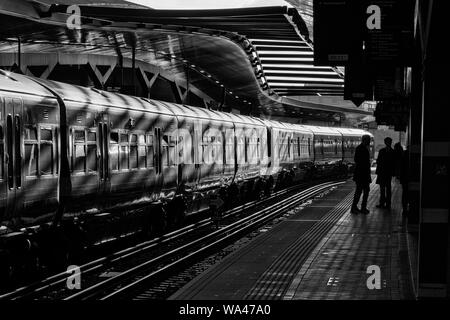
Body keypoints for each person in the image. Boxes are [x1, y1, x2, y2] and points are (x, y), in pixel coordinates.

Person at [351, 134, 372, 214]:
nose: (369, 142)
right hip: (362, 174)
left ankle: (358, 207)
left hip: (362, 174)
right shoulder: (361, 148)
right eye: (368, 140)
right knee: (361, 191)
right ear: (365, 140)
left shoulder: (362, 148)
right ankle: (357, 207)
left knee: (362, 191)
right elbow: (358, 160)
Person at [376, 137, 396, 209]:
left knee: (383, 188)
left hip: (382, 172)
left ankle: (382, 203)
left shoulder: (381, 151)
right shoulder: (393, 152)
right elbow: (394, 163)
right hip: (388, 173)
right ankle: (388, 204)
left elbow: (378, 161)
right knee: (387, 188)